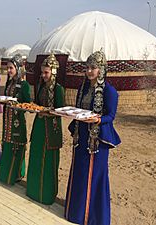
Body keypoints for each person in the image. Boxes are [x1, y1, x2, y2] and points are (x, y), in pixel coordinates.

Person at [64, 50, 121, 225]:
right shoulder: (83, 88)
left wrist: (98, 119)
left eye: (93, 68)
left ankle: (94, 217)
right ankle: (76, 214)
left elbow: (111, 116)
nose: (89, 71)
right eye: (87, 68)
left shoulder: (109, 91)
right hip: (81, 138)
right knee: (79, 173)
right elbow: (78, 109)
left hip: (97, 142)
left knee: (95, 176)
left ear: (101, 69)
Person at [26, 53, 65, 205]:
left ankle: (46, 195)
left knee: (48, 160)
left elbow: (60, 111)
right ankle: (34, 191)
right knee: (36, 155)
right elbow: (36, 102)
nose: (43, 75)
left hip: (52, 129)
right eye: (42, 72)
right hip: (39, 125)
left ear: (53, 71)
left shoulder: (59, 89)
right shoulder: (40, 85)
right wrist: (33, 107)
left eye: (46, 72)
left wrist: (47, 111)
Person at [0, 54, 31, 185]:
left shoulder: (24, 85)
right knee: (7, 143)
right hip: (7, 120)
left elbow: (28, 104)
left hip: (17, 121)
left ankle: (16, 174)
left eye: (11, 68)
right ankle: (5, 174)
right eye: (8, 68)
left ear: (17, 68)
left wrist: (16, 104)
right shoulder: (9, 83)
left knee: (17, 145)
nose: (9, 71)